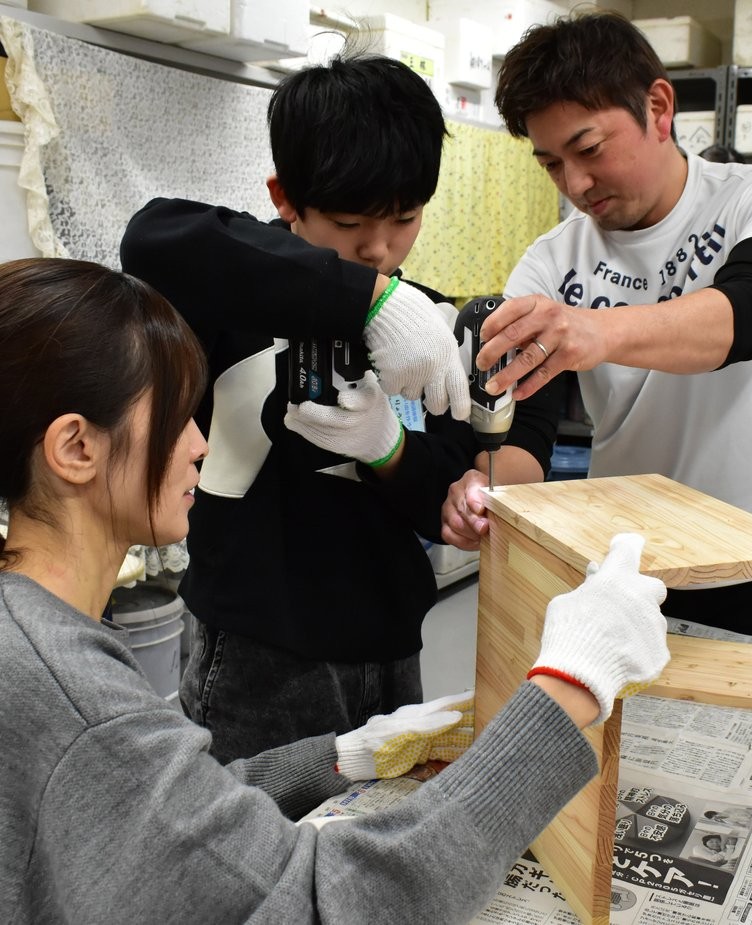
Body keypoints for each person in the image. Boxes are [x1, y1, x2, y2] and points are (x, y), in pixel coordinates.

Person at [0, 255, 670, 922]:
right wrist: (568, 687)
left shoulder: (35, 639)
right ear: (76, 448)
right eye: (177, 417)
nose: (199, 443)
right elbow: (338, 903)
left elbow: (173, 821)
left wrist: (348, 754)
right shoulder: (67, 689)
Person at [119, 54, 562, 762]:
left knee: (382, 820)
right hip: (255, 648)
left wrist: (391, 450)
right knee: (254, 821)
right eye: (350, 221)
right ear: (285, 198)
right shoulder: (235, 293)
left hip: (390, 642)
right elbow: (151, 238)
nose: (379, 248)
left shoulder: (422, 331)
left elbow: (440, 499)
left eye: (405, 219)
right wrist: (369, 300)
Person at [452, 10, 752, 642]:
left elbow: (748, 314)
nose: (576, 184)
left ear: (658, 108)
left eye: (589, 150)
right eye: (551, 165)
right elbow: (529, 431)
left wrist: (597, 331)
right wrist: (483, 493)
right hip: (626, 563)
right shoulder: (551, 260)